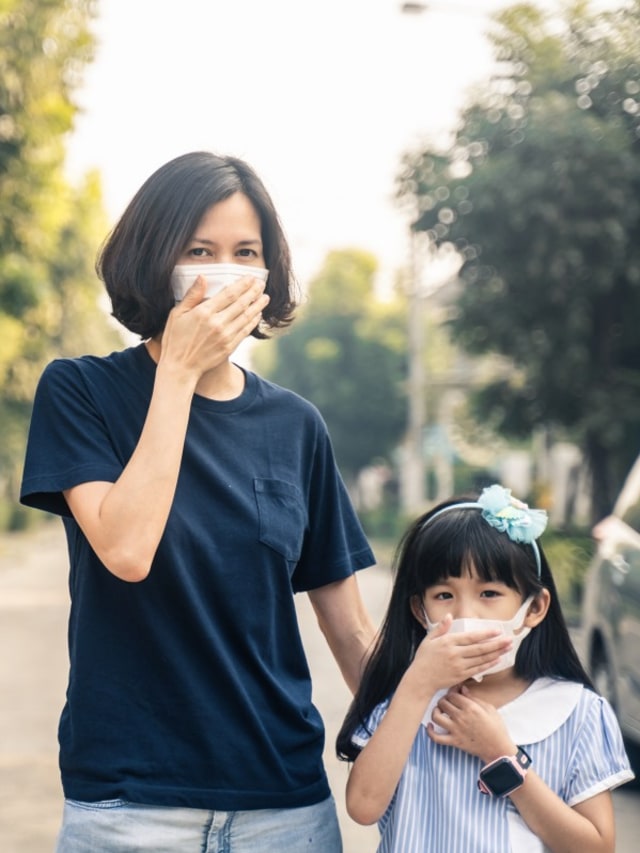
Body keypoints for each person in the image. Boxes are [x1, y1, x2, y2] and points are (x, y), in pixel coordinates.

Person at [20, 150, 377, 852]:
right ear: (156, 259)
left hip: (284, 808)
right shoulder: (80, 391)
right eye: (199, 250)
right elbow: (126, 549)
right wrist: (179, 370)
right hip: (127, 807)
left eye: (246, 253)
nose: (226, 270)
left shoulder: (296, 425)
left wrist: (433, 720)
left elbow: (351, 631)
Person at [336, 484, 634, 852]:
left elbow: (596, 847)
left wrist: (501, 755)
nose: (466, 614)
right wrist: (416, 687)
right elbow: (363, 806)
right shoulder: (403, 701)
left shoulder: (576, 711)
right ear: (420, 610)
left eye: (489, 594)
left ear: (535, 608)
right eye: (444, 595)